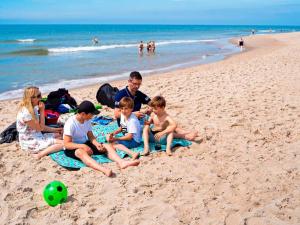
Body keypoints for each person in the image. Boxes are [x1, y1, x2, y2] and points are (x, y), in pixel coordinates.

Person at [114, 71, 198, 141]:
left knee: (161, 118)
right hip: (126, 122)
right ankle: (184, 136)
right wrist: (134, 114)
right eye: (135, 84)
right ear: (129, 81)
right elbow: (116, 114)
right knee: (152, 129)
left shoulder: (138, 94)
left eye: (139, 84)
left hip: (139, 118)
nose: (137, 86)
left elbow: (152, 103)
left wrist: (151, 108)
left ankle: (184, 132)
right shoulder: (120, 94)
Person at [63, 100, 140, 177]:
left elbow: (90, 136)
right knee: (81, 152)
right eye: (91, 114)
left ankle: (121, 162)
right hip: (73, 147)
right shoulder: (70, 123)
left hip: (84, 143)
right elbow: (66, 144)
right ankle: (103, 170)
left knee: (106, 145)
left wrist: (97, 144)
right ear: (83, 114)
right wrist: (82, 146)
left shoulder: (87, 120)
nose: (92, 116)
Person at [16, 86, 63, 159]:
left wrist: (57, 130)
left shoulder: (33, 107)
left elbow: (40, 127)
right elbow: (40, 128)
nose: (41, 98)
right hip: (30, 141)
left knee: (62, 136)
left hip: (37, 135)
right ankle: (40, 155)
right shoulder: (26, 113)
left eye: (40, 94)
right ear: (30, 99)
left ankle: (51, 143)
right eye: (38, 96)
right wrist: (42, 111)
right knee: (65, 144)